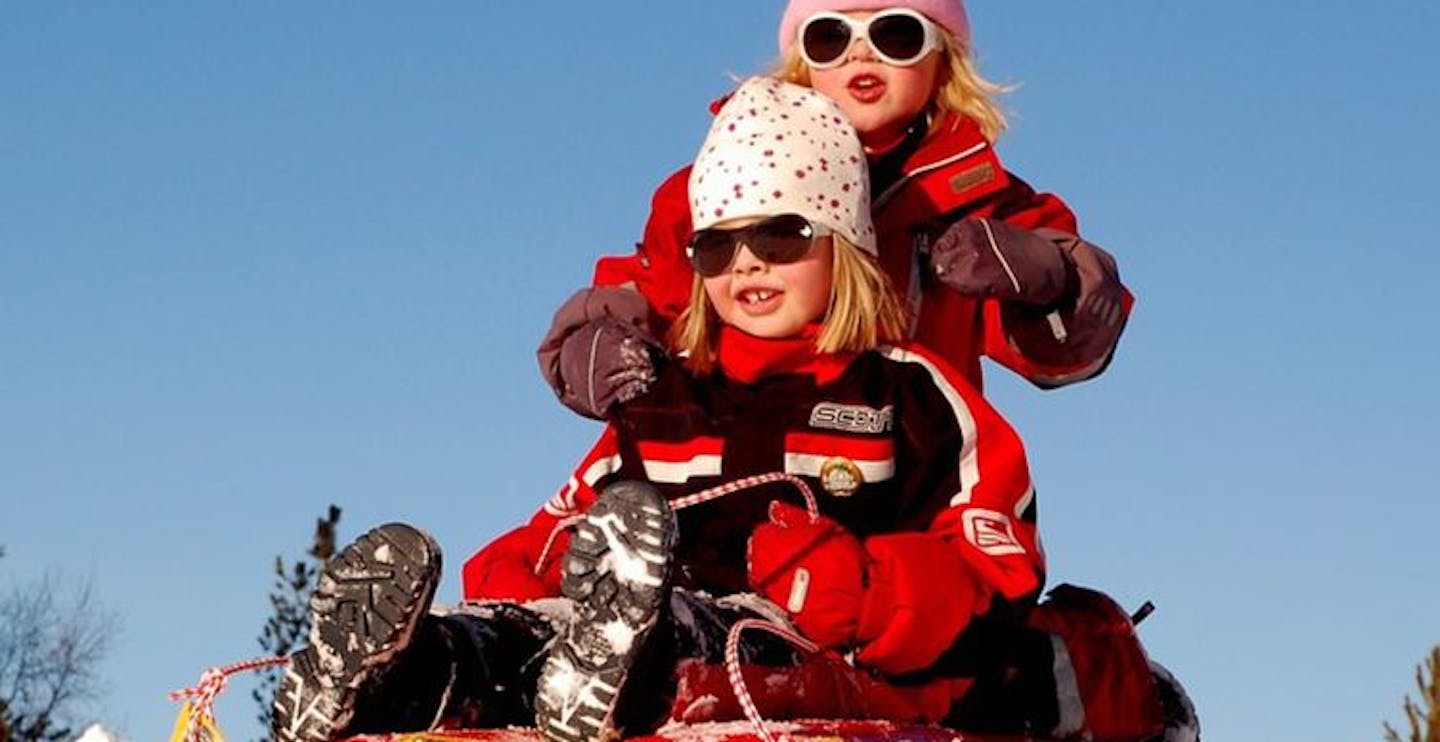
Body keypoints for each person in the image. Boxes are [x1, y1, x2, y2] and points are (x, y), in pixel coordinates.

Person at [271, 79, 1193, 742]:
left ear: (847, 251)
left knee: (710, 644)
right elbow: (559, 521)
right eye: (719, 245)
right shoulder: (666, 397)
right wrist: (527, 568)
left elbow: (993, 567)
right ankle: (411, 671)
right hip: (623, 614)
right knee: (521, 637)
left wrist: (864, 588)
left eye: (782, 235)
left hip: (796, 642)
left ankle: (613, 663)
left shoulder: (909, 394)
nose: (747, 263)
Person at [540, 0, 1133, 422]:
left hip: (911, 466)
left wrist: (1049, 282)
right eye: (830, 37)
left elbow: (1065, 355)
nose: (859, 55)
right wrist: (601, 337)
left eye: (896, 34)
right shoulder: (723, 184)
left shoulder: (978, 204)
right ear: (803, 61)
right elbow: (657, 287)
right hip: (745, 446)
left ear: (944, 57)